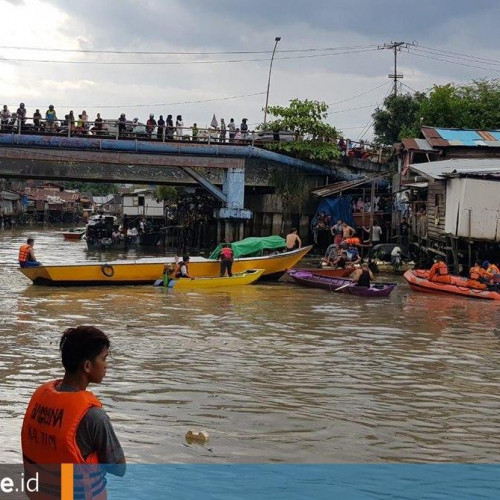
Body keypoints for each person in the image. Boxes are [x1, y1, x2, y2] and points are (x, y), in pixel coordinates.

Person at [21, 326, 126, 500]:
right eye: (104, 358)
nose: (106, 365)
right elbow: (119, 469)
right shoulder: (93, 416)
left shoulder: (40, 398)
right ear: (87, 366)